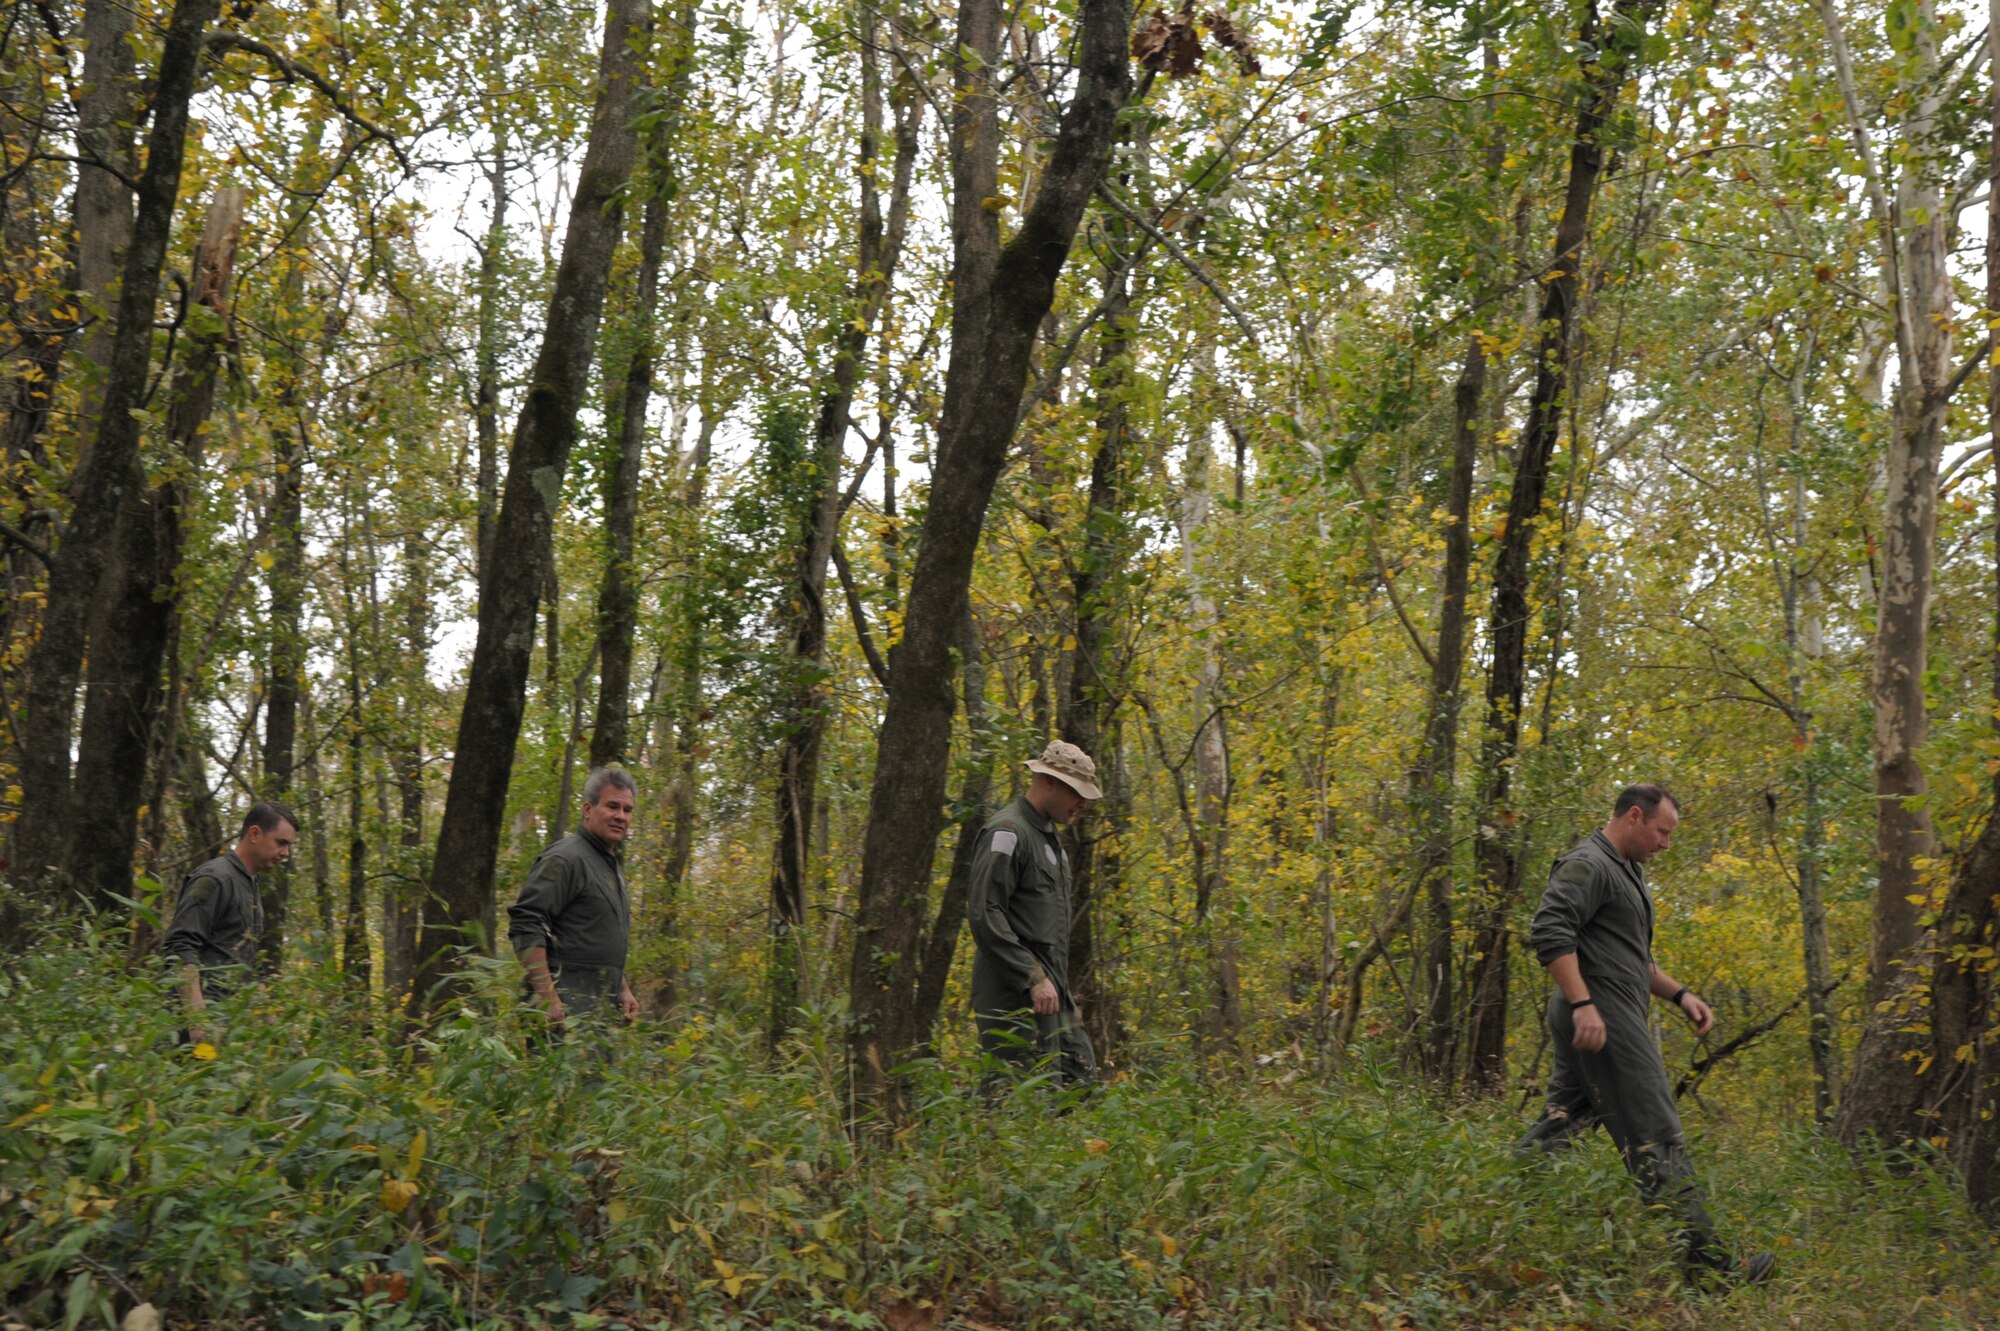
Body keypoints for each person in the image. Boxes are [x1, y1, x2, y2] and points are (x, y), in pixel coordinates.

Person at [1516, 784, 1774, 1284]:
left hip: (1600, 1010)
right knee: (1656, 1131)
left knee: (1561, 1122)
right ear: (1634, 816)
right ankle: (1712, 1270)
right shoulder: (1589, 863)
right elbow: (1549, 931)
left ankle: (1492, 1209)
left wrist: (1681, 995)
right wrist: (1584, 1003)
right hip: (1601, 1015)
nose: (1666, 843)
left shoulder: (1626, 871)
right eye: (1662, 832)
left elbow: (1632, 958)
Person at [967, 739, 1101, 1094]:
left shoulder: (1051, 841)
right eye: (1076, 792)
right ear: (1049, 782)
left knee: (1078, 1085)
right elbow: (985, 913)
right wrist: (1031, 975)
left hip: (1050, 991)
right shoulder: (1008, 833)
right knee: (1016, 1098)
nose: (1082, 804)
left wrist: (1053, 982)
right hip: (1013, 991)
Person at [506, 767, 640, 1031]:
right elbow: (525, 922)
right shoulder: (566, 858)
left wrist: (622, 986)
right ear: (588, 810)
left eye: (627, 810)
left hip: (595, 1013)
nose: (621, 816)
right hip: (565, 1011)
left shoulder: (607, 864)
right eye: (612, 806)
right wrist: (547, 998)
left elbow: (593, 937)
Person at [161, 802, 299, 1046]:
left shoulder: (249, 884)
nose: (286, 853)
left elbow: (248, 964)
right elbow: (180, 948)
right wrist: (198, 1023)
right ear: (255, 834)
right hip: (193, 1033)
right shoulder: (215, 878)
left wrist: (276, 1034)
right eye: (281, 843)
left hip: (228, 1028)